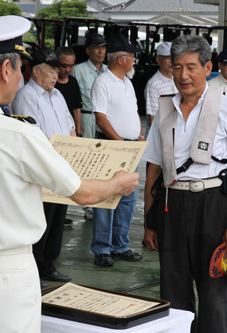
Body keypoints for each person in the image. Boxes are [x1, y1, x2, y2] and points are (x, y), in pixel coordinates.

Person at [0, 15, 138, 333]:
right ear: (6, 69)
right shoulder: (18, 134)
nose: (20, 77)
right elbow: (82, 193)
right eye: (20, 68)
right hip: (5, 275)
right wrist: (118, 181)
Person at [142, 34, 227, 333]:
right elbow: (153, 168)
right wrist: (149, 223)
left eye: (191, 67)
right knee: (172, 293)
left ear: (208, 68)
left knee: (214, 293)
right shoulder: (165, 109)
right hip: (171, 205)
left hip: (213, 204)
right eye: (177, 67)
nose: (183, 75)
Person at [11, 48, 76, 284]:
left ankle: (48, 265)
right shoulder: (27, 96)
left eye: (58, 70)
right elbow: (34, 136)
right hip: (42, 168)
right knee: (41, 219)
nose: (56, 75)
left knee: (58, 217)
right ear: (36, 71)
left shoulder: (57, 95)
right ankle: (35, 267)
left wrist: (74, 151)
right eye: (52, 70)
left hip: (63, 165)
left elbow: (70, 127)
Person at [89, 34, 144, 268]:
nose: (134, 60)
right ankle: (102, 248)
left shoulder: (127, 82)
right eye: (132, 56)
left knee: (127, 199)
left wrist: (139, 135)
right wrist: (121, 141)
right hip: (112, 146)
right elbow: (100, 118)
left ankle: (120, 245)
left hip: (130, 146)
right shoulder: (103, 82)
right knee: (106, 198)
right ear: (121, 58)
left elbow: (133, 112)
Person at [72, 33, 107, 220]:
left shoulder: (109, 71)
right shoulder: (78, 70)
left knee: (103, 160)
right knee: (87, 161)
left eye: (103, 47)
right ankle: (88, 207)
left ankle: (101, 200)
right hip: (85, 118)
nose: (100, 51)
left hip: (104, 120)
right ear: (88, 50)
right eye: (96, 47)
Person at [144, 42, 178, 127]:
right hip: (161, 136)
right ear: (158, 60)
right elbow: (153, 118)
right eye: (167, 57)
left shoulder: (177, 80)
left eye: (173, 57)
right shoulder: (154, 84)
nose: (171, 61)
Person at [55, 46, 83, 137]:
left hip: (70, 130)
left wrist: (78, 133)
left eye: (71, 66)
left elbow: (77, 110)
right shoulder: (51, 82)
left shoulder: (73, 82)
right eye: (64, 66)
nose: (68, 70)